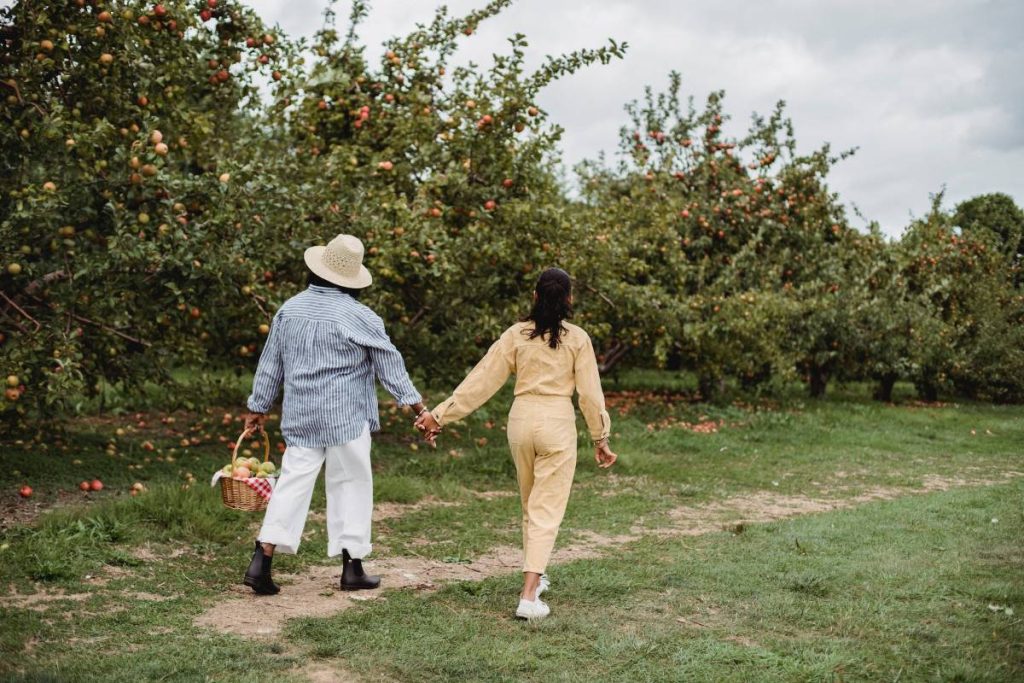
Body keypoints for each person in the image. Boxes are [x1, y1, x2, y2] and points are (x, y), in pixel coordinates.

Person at [241, 234, 440, 595]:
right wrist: (419, 408)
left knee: (292, 483)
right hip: (345, 417)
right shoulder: (360, 315)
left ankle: (262, 558)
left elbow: (270, 364)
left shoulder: (290, 309)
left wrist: (257, 408)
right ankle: (352, 568)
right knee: (351, 484)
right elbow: (390, 368)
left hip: (301, 415)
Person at [416, 267, 617, 620]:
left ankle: (534, 579)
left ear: (536, 296)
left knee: (530, 504)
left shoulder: (515, 335)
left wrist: (439, 414)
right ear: (569, 300)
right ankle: (528, 596)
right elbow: (589, 395)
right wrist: (600, 437)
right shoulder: (578, 338)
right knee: (546, 510)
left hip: (521, 422)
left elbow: (482, 380)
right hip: (556, 424)